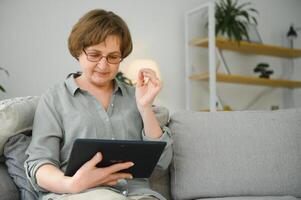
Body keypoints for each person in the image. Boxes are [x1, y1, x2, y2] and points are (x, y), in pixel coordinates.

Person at [24, 9, 172, 200]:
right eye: (94, 55)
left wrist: (145, 108)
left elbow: (162, 162)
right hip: (80, 194)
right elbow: (39, 164)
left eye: (113, 57)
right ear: (79, 51)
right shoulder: (54, 98)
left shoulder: (134, 96)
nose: (103, 65)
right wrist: (72, 184)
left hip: (137, 194)